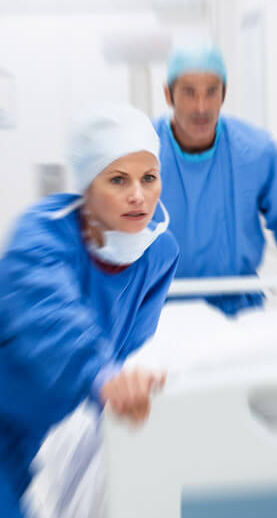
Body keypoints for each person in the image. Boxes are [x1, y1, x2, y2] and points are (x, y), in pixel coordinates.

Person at [0, 105, 179, 518]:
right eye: (118, 180)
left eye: (148, 179)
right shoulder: (41, 235)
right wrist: (101, 377)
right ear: (86, 187)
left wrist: (125, 398)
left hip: (32, 427)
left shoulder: (159, 253)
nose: (138, 195)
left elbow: (130, 345)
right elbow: (53, 320)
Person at [154, 44, 277, 315]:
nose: (201, 107)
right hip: (159, 313)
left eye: (211, 92)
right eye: (189, 92)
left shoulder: (255, 151)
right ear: (168, 94)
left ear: (224, 94)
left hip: (238, 312)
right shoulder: (140, 152)